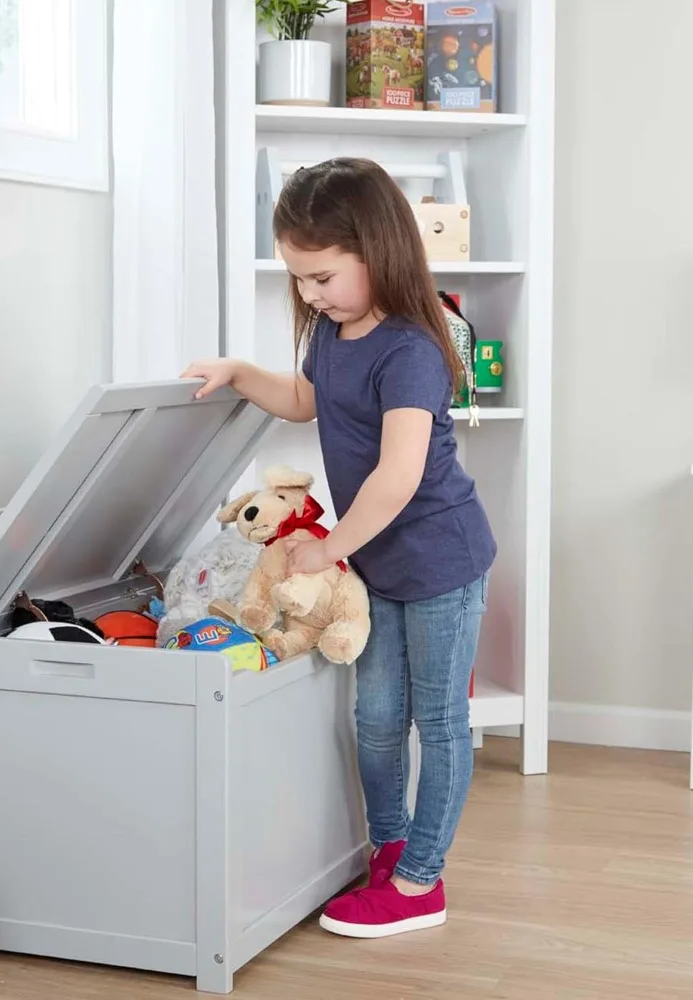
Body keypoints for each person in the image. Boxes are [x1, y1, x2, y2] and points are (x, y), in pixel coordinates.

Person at [181, 157, 496, 940]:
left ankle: (422, 879)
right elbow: (305, 401)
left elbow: (396, 479)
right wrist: (242, 372)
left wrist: (327, 549)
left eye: (321, 275)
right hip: (378, 563)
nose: (309, 294)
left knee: (439, 720)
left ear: (375, 248)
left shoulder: (413, 349)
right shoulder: (330, 333)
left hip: (438, 561)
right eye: (299, 279)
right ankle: (389, 849)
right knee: (377, 715)